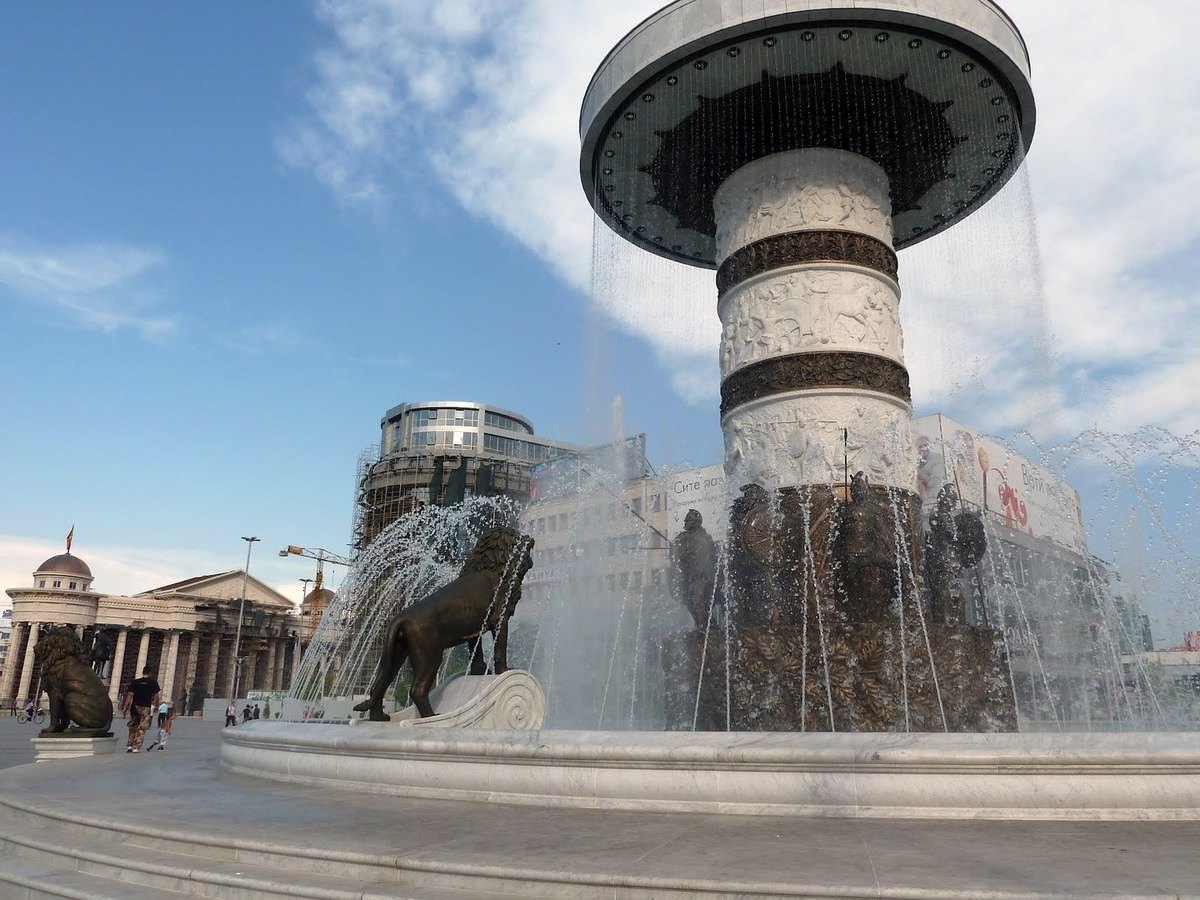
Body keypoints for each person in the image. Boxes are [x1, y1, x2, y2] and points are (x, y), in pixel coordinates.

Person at [121, 667, 161, 753]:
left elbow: (130, 695)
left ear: (143, 672)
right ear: (150, 673)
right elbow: (156, 696)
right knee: (142, 727)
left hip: (135, 707)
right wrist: (157, 706)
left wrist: (125, 706)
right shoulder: (153, 683)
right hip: (145, 707)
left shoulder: (135, 682)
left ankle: (129, 745)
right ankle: (136, 747)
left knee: (133, 725)